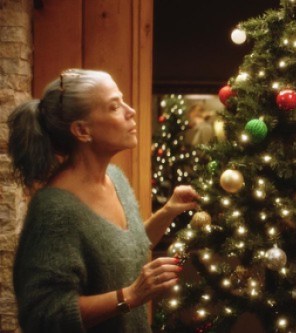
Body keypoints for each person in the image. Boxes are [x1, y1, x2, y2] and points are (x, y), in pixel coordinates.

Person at [8, 69, 201, 332]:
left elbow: (124, 249)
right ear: (82, 130)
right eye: (114, 106)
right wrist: (131, 296)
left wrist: (169, 210)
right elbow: (42, 314)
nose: (130, 111)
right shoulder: (54, 210)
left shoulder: (115, 178)